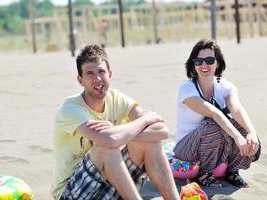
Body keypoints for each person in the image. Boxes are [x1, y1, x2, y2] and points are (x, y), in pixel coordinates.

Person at [51, 45, 179, 200]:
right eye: (90, 73)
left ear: (110, 74)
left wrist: (118, 132)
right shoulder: (71, 108)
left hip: (109, 186)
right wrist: (144, 120)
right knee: (107, 147)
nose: (97, 79)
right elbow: (109, 140)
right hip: (71, 193)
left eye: (101, 72)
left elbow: (161, 132)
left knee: (150, 141)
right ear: (80, 80)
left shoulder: (116, 99)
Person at [173, 39, 261, 188]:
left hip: (216, 145)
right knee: (212, 125)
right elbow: (213, 113)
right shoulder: (186, 89)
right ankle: (205, 174)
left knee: (244, 129)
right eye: (198, 61)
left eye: (209, 60)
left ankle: (232, 172)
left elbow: (237, 109)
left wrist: (251, 133)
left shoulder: (226, 86)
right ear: (193, 65)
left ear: (218, 63)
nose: (204, 65)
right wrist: (237, 137)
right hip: (187, 148)